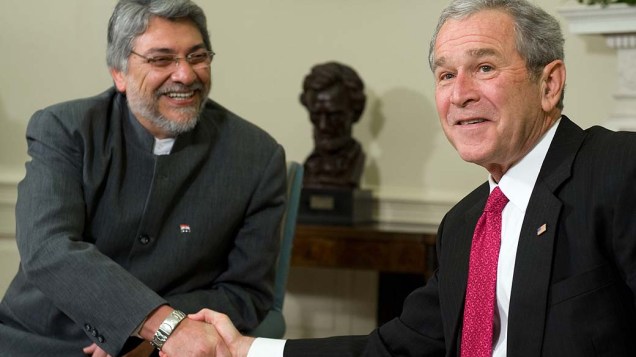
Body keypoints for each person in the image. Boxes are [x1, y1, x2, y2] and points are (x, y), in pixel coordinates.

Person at [186, 0, 636, 356]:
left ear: (549, 84)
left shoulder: (620, 169)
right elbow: (393, 349)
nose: (460, 94)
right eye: (445, 74)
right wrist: (245, 351)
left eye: (484, 68)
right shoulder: (465, 226)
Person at [0, 0, 286, 356]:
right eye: (161, 59)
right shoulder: (65, 129)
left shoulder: (258, 157)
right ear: (118, 72)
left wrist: (148, 335)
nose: (185, 75)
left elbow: (248, 292)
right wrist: (151, 323)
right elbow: (48, 248)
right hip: (41, 339)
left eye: (197, 57)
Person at [300, 62, 367, 189]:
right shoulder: (307, 168)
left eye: (334, 116)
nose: (323, 125)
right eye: (316, 114)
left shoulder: (354, 163)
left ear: (356, 113)